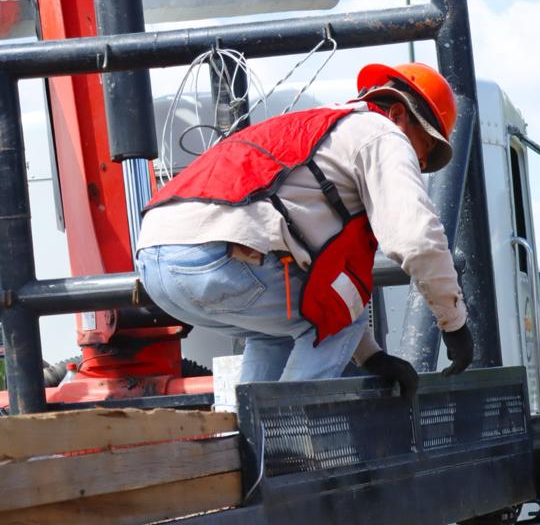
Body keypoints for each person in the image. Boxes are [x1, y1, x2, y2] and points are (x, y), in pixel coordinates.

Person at [136, 61, 473, 394]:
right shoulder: (382, 132)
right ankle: (289, 436)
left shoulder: (316, 126)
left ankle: (253, 438)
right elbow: (417, 239)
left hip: (155, 264)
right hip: (216, 259)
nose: (422, 163)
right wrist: (453, 323)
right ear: (398, 115)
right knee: (337, 317)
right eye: (424, 147)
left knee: (279, 331)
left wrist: (370, 356)